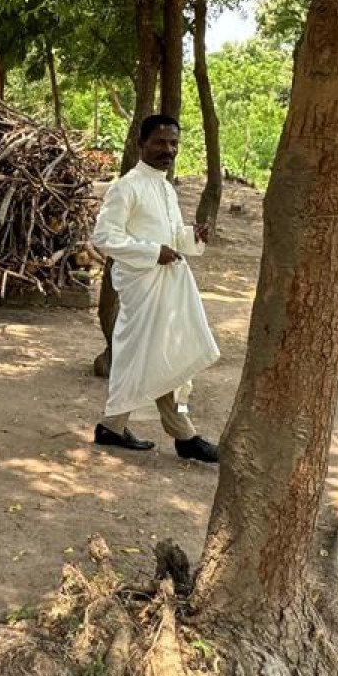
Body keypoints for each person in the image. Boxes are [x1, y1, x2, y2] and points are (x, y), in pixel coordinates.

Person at [90, 115, 221, 462]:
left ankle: (112, 427)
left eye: (174, 143)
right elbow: (104, 237)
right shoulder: (126, 186)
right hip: (142, 287)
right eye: (161, 142)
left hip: (168, 286)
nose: (169, 150)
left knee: (161, 357)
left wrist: (191, 236)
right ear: (141, 144)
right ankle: (184, 435)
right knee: (156, 358)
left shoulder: (165, 187)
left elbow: (171, 232)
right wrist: (152, 252)